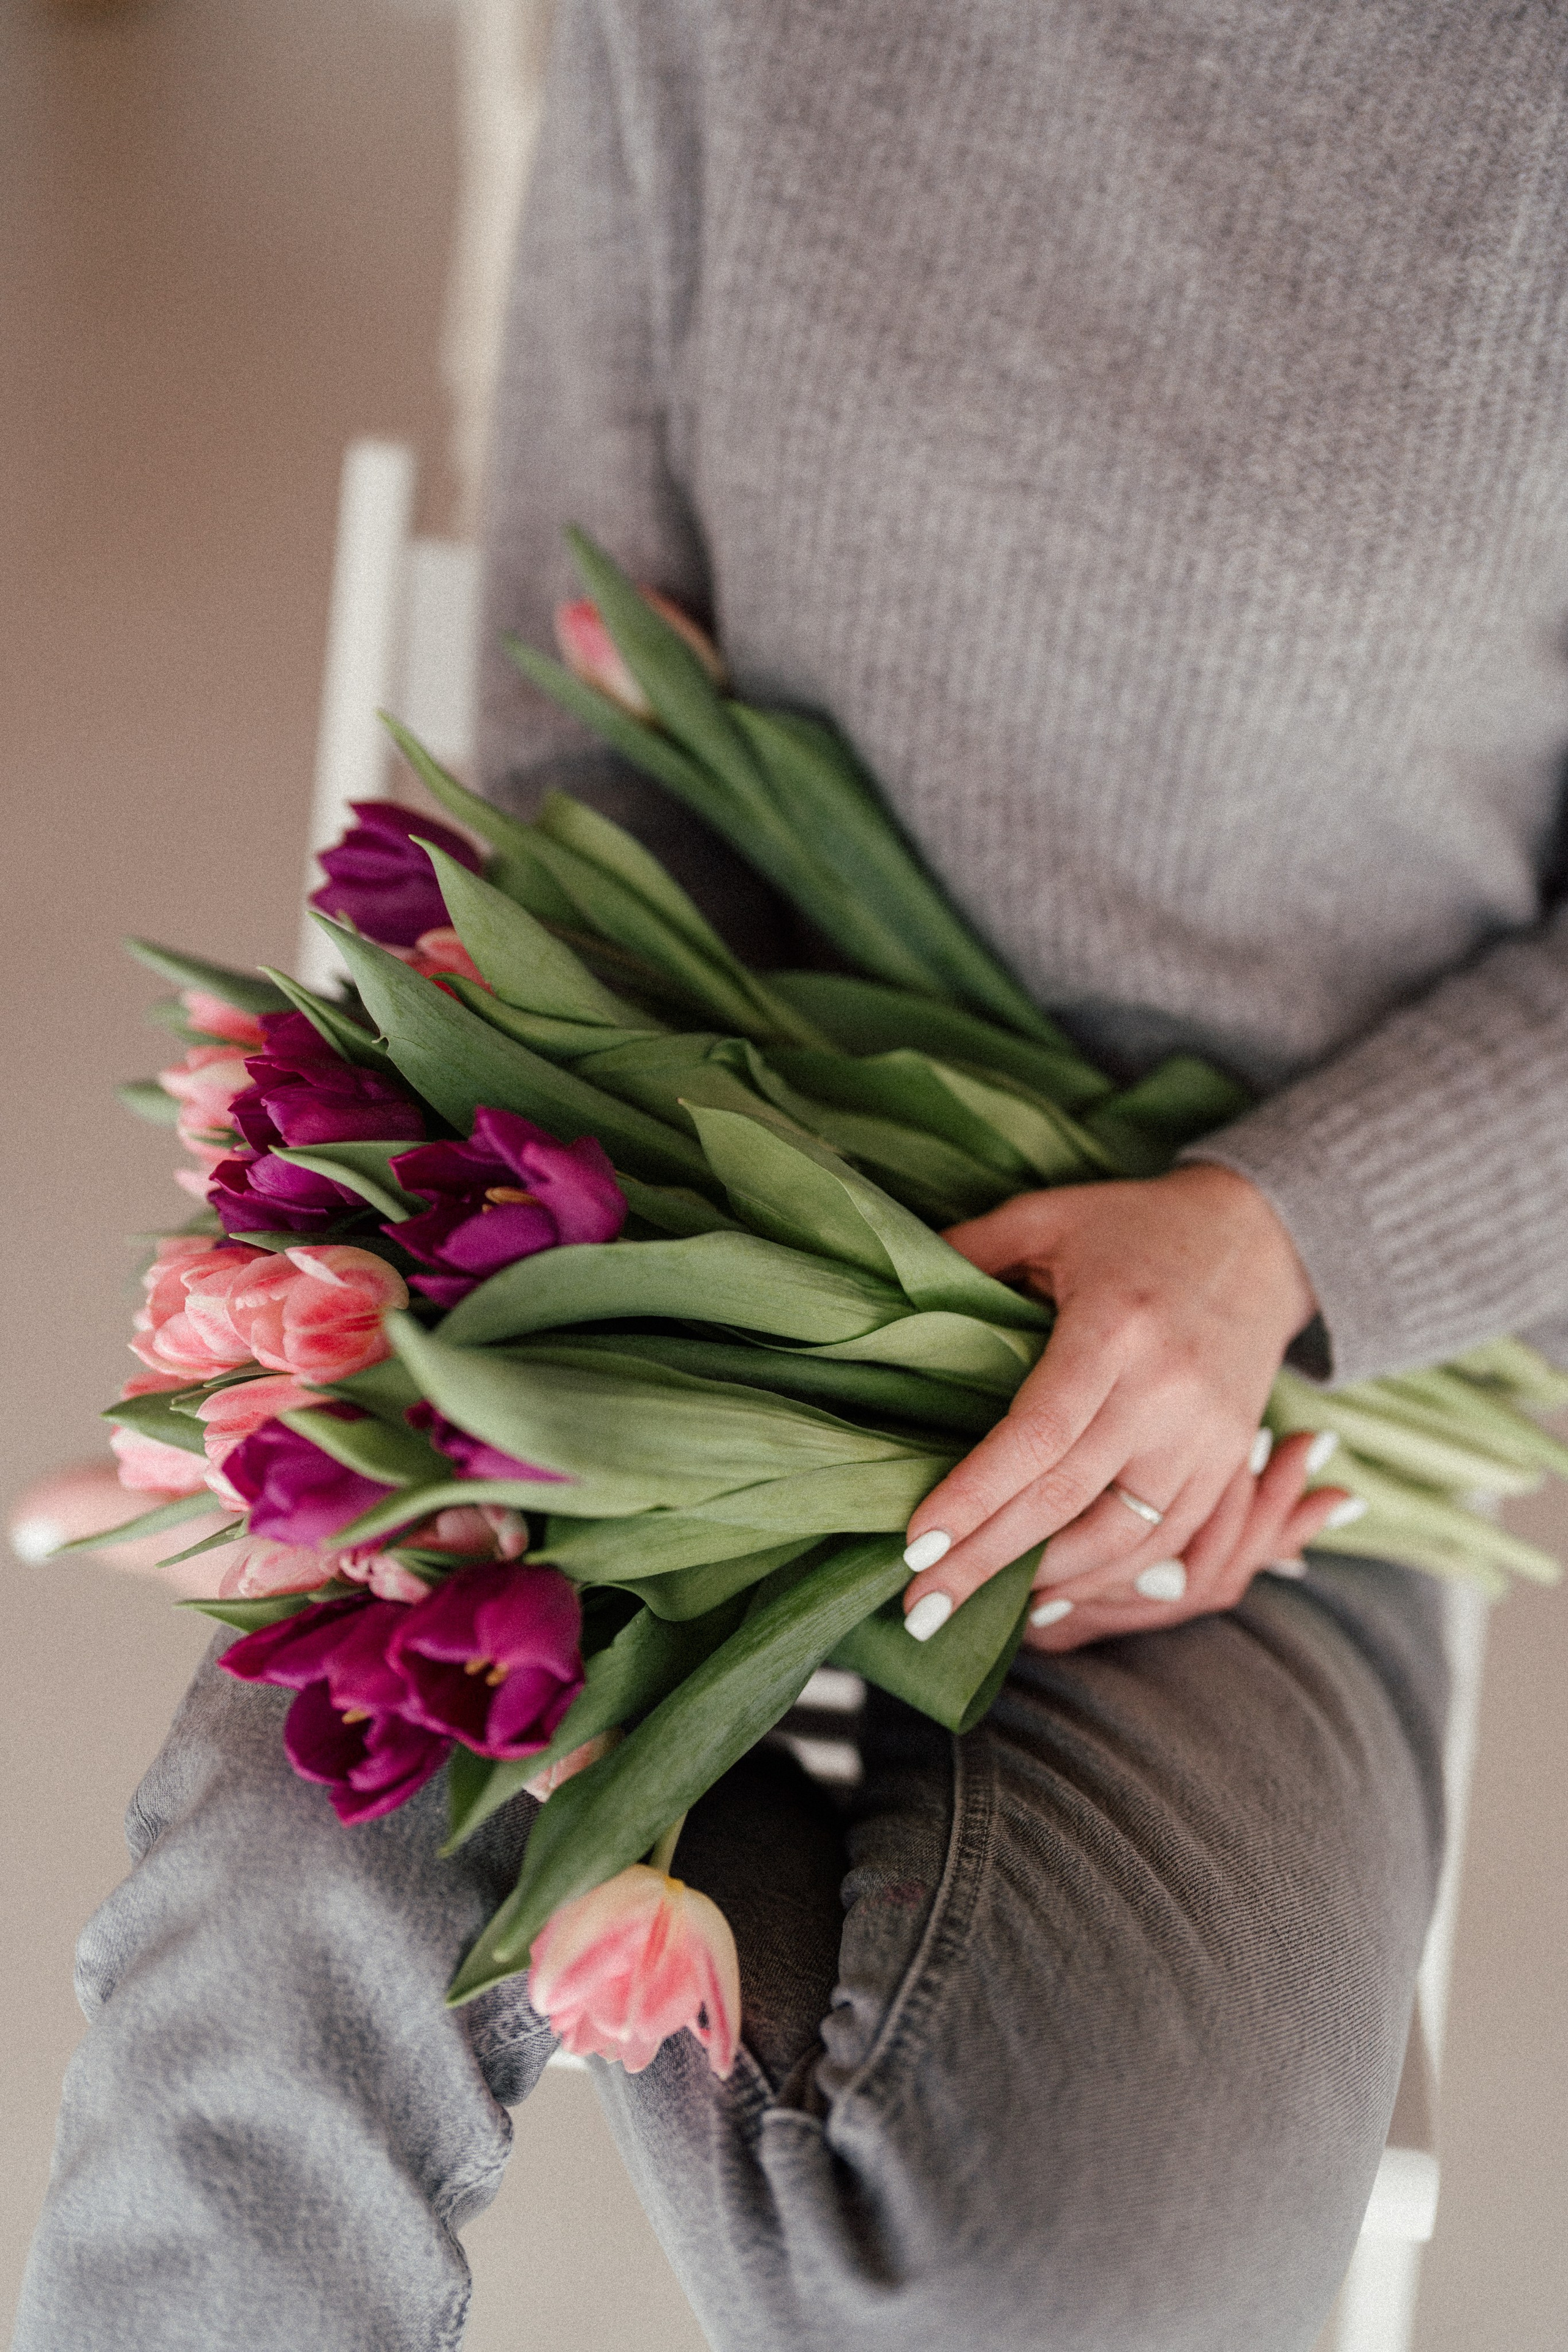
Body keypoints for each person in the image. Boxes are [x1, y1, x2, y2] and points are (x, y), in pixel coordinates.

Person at [18, 4, 1568, 2346]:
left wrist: (1290, 1246)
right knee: (265, 1961)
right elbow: (589, 741)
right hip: (689, 1248)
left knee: (1088, 2293)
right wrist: (517, 1352)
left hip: (1252, 1435)